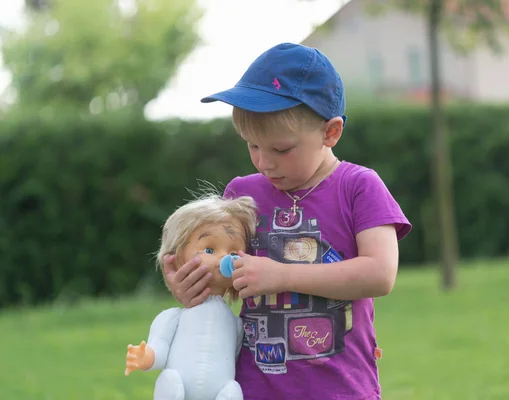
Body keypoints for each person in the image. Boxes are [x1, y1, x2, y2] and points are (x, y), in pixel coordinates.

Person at [161, 42, 412, 400]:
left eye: (281, 149)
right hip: (252, 389)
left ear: (331, 132)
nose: (264, 163)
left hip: (340, 389)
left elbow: (379, 274)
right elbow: (227, 277)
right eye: (252, 146)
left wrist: (281, 275)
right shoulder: (242, 195)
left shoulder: (359, 187)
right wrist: (194, 287)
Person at [125, 193, 257, 400]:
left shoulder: (236, 325)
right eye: (209, 249)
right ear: (177, 258)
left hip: (221, 392)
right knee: (170, 381)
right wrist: (145, 357)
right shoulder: (173, 317)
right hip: (178, 391)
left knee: (232, 391)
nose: (225, 257)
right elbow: (159, 347)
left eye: (234, 251)